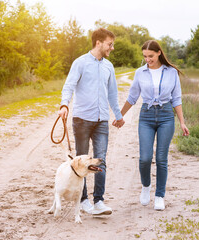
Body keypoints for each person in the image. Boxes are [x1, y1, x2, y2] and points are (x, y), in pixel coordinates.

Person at [113, 40, 189, 211]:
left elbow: (176, 99)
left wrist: (182, 122)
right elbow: (132, 97)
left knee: (162, 159)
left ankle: (159, 195)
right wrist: (119, 116)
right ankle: (146, 186)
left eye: (151, 56)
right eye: (145, 56)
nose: (148, 59)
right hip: (146, 116)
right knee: (145, 158)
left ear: (159, 53)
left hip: (166, 116)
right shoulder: (140, 73)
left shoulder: (171, 73)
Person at [58, 28, 125, 215]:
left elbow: (112, 93)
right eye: (109, 44)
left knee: (100, 160)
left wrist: (118, 115)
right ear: (99, 43)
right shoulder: (80, 63)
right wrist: (64, 105)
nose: (111, 48)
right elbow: (69, 86)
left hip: (102, 120)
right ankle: (83, 200)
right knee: (81, 161)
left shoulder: (108, 67)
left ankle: (99, 201)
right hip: (82, 120)